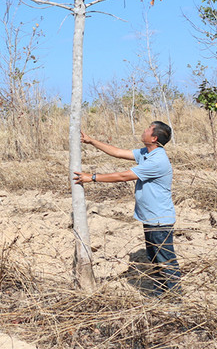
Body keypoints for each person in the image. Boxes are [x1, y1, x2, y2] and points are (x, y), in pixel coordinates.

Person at [73, 121, 181, 297]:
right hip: (150, 218)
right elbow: (117, 152)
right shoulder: (147, 153)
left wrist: (92, 178)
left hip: (160, 219)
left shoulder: (158, 160)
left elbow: (124, 176)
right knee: (154, 259)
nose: (144, 130)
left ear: (154, 138)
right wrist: (91, 141)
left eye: (148, 129)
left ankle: (176, 299)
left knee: (166, 261)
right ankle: (160, 294)